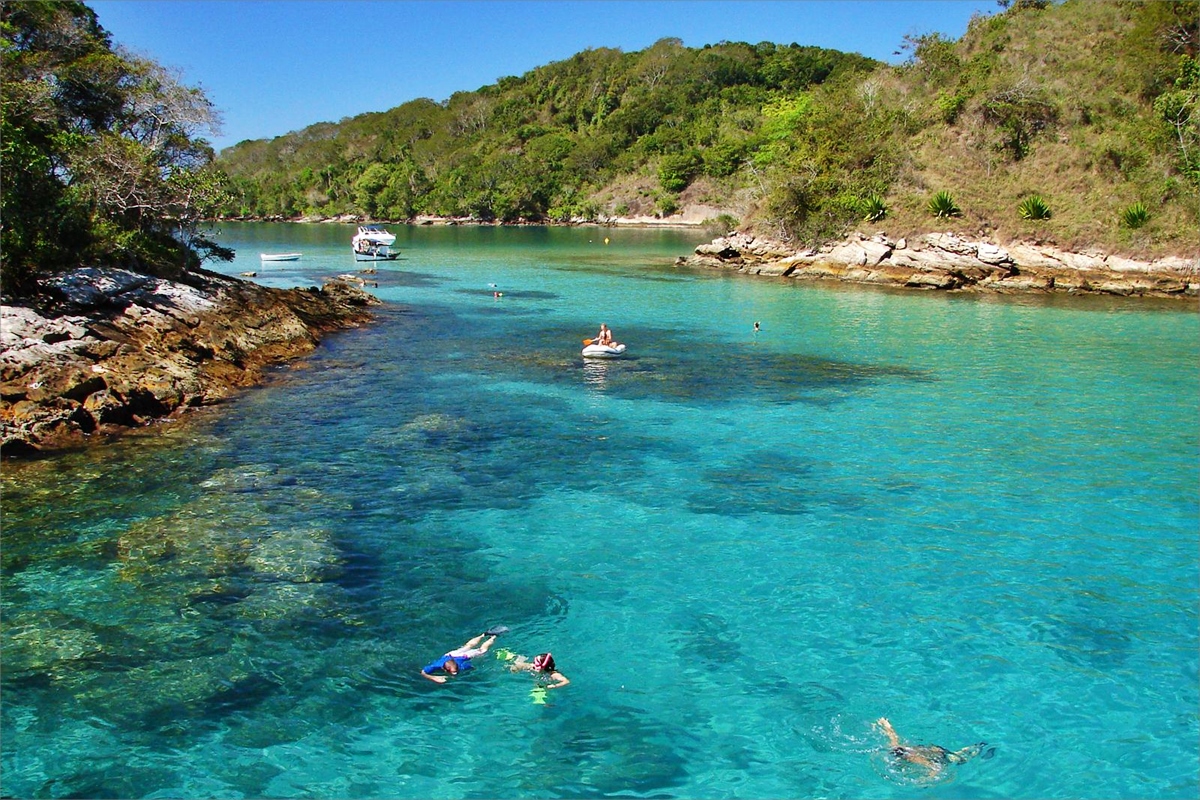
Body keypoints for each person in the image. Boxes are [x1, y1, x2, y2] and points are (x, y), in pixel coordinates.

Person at [875, 717, 986, 779]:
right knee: (959, 756)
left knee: (961, 760)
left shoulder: (913, 757)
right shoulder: (899, 747)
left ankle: (977, 749)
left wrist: (926, 779)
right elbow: (892, 736)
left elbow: (935, 768)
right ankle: (976, 747)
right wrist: (886, 725)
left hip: (942, 756)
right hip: (934, 750)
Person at [420, 632, 498, 684]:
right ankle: (483, 635)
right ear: (444, 669)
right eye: (453, 672)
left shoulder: (462, 666)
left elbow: (472, 667)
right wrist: (434, 678)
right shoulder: (435, 666)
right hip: (451, 655)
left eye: (455, 671)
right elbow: (423, 672)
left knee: (482, 650)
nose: (455, 673)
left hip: (463, 656)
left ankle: (493, 637)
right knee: (468, 646)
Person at [499, 650, 570, 689]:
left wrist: (553, 686)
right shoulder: (532, 667)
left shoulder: (553, 674)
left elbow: (566, 681)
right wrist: (514, 669)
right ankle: (509, 655)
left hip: (542, 682)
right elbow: (519, 666)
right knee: (516, 662)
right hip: (520, 662)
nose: (534, 664)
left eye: (536, 663)